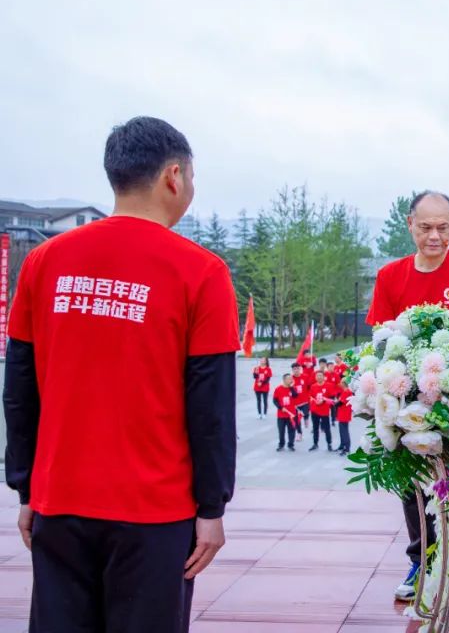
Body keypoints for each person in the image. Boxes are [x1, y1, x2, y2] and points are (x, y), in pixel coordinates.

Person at [3, 116, 238, 633]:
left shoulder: (43, 262)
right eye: (192, 176)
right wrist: (211, 507)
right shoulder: (202, 272)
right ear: (173, 176)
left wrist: (26, 490)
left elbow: (18, 391)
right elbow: (211, 406)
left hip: (59, 500)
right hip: (155, 512)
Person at [366, 191, 449, 602]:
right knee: (413, 485)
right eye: (425, 227)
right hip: (409, 402)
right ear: (410, 225)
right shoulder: (390, 276)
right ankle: (422, 560)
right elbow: (380, 339)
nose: (434, 236)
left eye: (443, 227)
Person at [307, 371, 334, 452]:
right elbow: (310, 397)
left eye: (320, 375)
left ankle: (329, 444)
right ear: (315, 377)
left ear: (324, 377)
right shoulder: (313, 386)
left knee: (327, 428)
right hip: (314, 410)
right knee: (315, 428)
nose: (319, 377)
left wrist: (324, 401)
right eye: (317, 376)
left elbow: (332, 399)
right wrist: (314, 401)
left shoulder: (329, 385)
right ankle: (315, 443)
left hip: (324, 411)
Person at [273, 373, 298, 452]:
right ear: (284, 380)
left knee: (292, 430)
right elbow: (275, 400)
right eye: (289, 379)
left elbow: (295, 395)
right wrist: (280, 408)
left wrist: (291, 387)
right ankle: (281, 444)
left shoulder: (293, 389)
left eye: (291, 379)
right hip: (281, 414)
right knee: (281, 431)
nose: (290, 380)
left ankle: (291, 444)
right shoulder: (278, 389)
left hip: (291, 414)